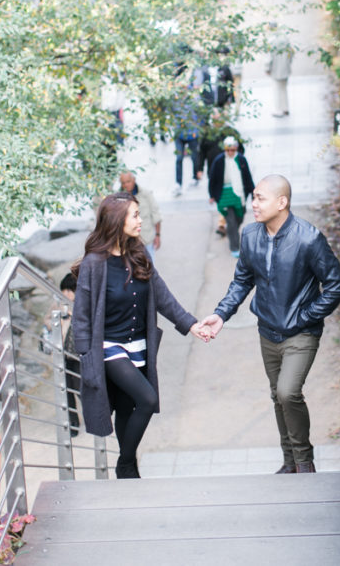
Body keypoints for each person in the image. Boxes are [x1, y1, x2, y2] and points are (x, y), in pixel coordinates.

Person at [201, 175, 340, 474]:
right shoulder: (251, 235)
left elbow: (336, 285)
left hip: (301, 333)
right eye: (253, 198)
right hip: (267, 332)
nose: (253, 204)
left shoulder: (308, 238)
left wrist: (306, 316)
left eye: (260, 198)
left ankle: (305, 462)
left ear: (282, 202)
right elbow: (242, 281)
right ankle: (290, 461)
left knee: (287, 392)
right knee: (277, 396)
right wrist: (221, 314)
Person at [71, 192, 210, 478]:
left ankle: (129, 468)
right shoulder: (94, 264)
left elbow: (161, 294)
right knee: (147, 399)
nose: (140, 220)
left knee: (127, 407)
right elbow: (81, 317)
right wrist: (87, 361)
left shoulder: (139, 253)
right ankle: (124, 463)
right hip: (109, 347)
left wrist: (191, 324)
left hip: (138, 344)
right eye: (135, 215)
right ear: (116, 220)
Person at [208, 137, 255, 257]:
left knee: (239, 218)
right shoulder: (219, 160)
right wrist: (212, 195)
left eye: (232, 150)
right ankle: (235, 247)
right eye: (228, 150)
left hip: (240, 194)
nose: (230, 153)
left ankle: (231, 231)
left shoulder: (241, 159)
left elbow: (247, 177)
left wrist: (254, 192)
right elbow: (212, 179)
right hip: (224, 195)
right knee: (231, 222)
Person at [119, 171, 163, 264]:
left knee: (150, 268)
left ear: (134, 180)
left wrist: (158, 235)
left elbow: (156, 215)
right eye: (123, 183)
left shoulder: (146, 194)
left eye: (128, 181)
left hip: (147, 239)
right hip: (128, 244)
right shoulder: (118, 198)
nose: (126, 185)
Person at [58, 273, 81, 437]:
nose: (65, 295)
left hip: (79, 356)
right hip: (64, 355)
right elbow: (47, 322)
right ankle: (73, 424)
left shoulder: (84, 306)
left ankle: (94, 418)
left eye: (69, 291)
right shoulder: (59, 305)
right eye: (64, 291)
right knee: (66, 390)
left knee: (81, 388)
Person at [266, 34, 293, 118]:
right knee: (284, 88)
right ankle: (285, 108)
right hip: (285, 67)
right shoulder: (285, 40)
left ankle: (278, 110)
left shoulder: (271, 41)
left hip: (275, 68)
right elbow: (291, 53)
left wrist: (267, 68)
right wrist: (288, 63)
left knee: (277, 89)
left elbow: (268, 57)